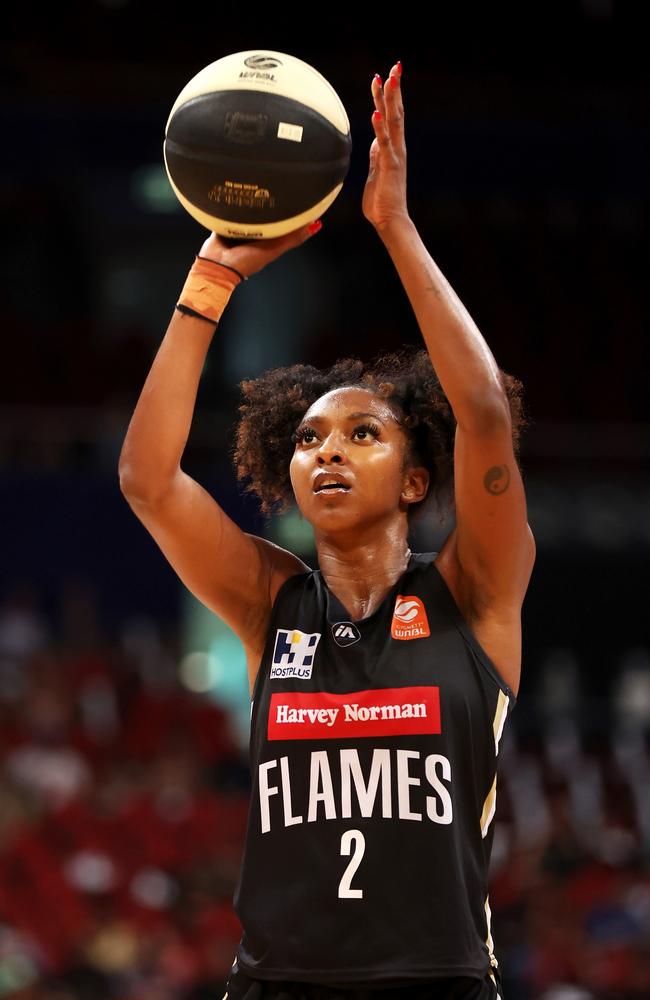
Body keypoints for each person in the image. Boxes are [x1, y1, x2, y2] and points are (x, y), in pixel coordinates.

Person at [119, 60, 536, 1000]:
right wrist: (210, 277)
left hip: (438, 981)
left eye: (362, 433)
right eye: (308, 440)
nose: (328, 453)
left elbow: (484, 413)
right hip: (277, 985)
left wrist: (396, 228)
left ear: (417, 478)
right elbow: (147, 480)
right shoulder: (274, 602)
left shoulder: (475, 591)